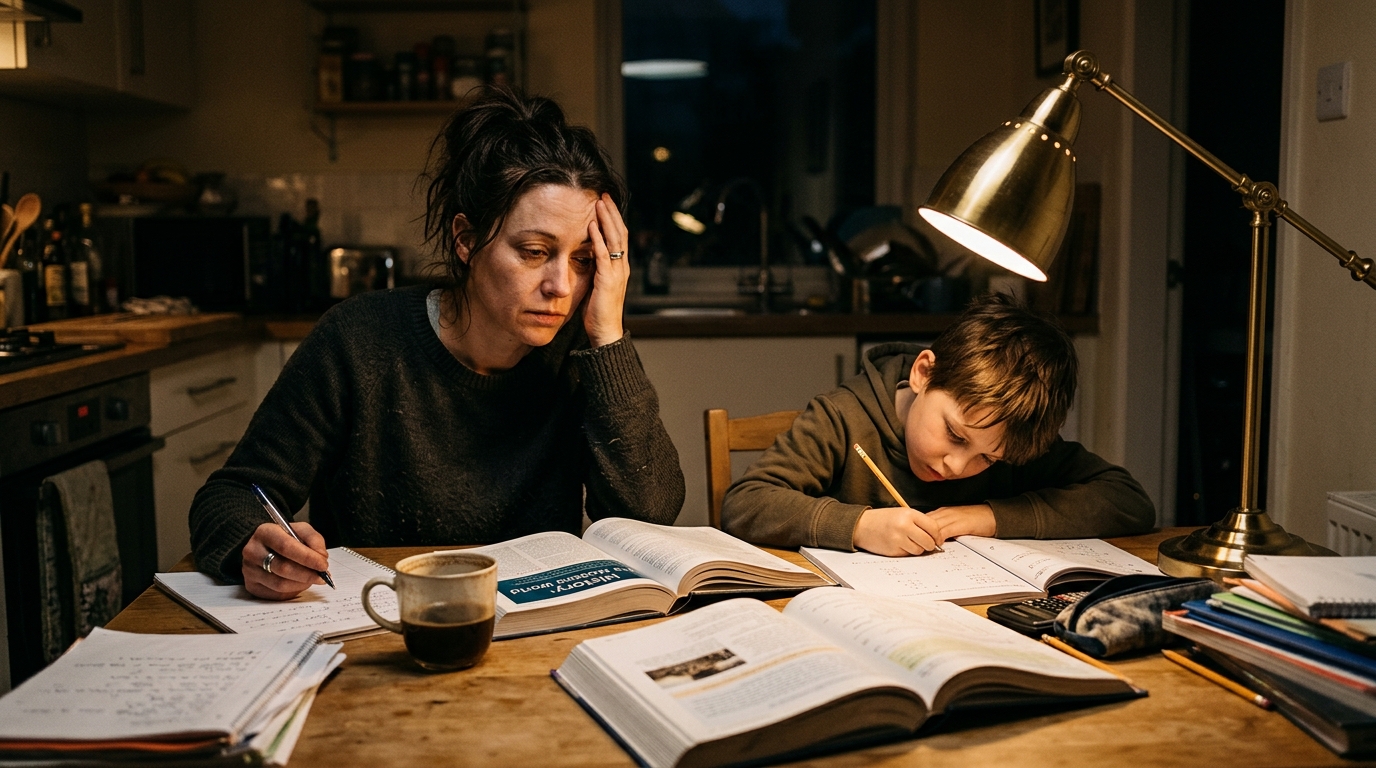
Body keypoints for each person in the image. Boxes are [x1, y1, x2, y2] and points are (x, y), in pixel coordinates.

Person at [190, 89, 685, 599]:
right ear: (466, 239)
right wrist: (256, 545)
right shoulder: (358, 339)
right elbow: (229, 497)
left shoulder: (584, 353)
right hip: (380, 627)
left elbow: (650, 513)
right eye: (535, 252)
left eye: (584, 261)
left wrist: (609, 337)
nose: (561, 285)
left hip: (536, 633)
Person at [721, 293, 1154, 555]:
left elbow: (1128, 500)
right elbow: (746, 504)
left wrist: (986, 517)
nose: (957, 466)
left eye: (988, 457)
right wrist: (859, 526)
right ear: (924, 373)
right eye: (954, 435)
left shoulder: (1005, 432)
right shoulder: (844, 418)